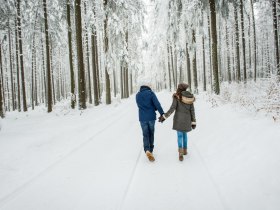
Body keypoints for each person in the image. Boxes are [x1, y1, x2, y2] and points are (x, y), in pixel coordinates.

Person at [158, 83, 196, 161]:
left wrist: (164, 117)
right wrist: (193, 122)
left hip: (179, 120)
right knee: (185, 135)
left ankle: (180, 153)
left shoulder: (177, 97)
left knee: (179, 136)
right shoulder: (190, 97)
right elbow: (192, 111)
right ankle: (185, 150)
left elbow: (172, 109)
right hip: (187, 120)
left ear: (179, 88)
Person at [136, 83, 164, 162]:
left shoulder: (137, 95)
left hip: (142, 118)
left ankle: (147, 150)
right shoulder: (151, 93)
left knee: (145, 134)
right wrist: (162, 113)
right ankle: (150, 150)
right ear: (148, 88)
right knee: (151, 133)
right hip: (151, 117)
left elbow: (139, 105)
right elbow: (157, 104)